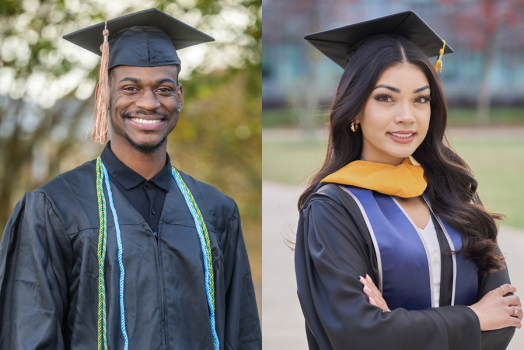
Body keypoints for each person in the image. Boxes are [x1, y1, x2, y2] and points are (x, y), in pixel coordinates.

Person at [0, 8, 261, 350]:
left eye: (164, 89)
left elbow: (241, 336)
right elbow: (28, 336)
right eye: (130, 87)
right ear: (105, 94)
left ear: (179, 97)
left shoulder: (216, 212)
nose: (149, 102)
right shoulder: (53, 209)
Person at [295, 11, 521, 350]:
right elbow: (359, 335)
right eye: (385, 98)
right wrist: (474, 317)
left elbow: (505, 318)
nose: (407, 116)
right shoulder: (333, 208)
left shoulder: (457, 194)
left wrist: (398, 326)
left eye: (421, 99)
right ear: (355, 109)